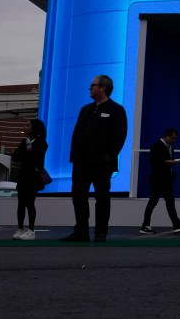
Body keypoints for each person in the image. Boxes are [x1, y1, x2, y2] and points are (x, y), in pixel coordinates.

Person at [61, 75, 128, 243]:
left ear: (103, 88)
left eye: (93, 85)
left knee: (102, 198)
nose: (89, 88)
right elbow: (77, 135)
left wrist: (108, 157)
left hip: (102, 164)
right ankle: (81, 231)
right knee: (78, 196)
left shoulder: (116, 110)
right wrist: (74, 157)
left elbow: (119, 137)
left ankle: (100, 232)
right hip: (82, 162)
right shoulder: (85, 110)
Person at [140, 128, 180, 235]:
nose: (174, 140)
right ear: (167, 136)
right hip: (158, 178)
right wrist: (170, 162)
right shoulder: (156, 146)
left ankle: (176, 224)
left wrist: (171, 163)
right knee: (154, 201)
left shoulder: (170, 147)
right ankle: (145, 225)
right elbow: (154, 162)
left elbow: (165, 161)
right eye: (173, 138)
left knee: (169, 201)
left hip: (167, 178)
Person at [11, 118, 48, 241]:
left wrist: (27, 153)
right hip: (23, 176)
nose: (25, 127)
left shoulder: (41, 142)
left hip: (33, 177)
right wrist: (26, 152)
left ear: (34, 127)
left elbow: (37, 159)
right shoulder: (24, 142)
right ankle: (20, 228)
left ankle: (31, 230)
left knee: (30, 203)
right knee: (21, 202)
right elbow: (15, 156)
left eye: (27, 125)